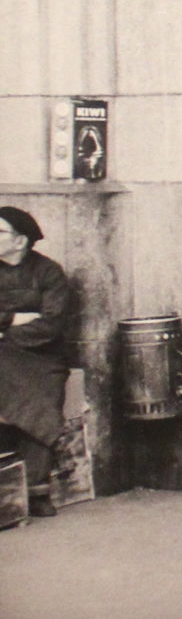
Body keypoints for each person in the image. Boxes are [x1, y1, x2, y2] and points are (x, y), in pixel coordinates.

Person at [0, 207, 71, 518]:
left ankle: (37, 492)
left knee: (40, 395)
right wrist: (13, 318)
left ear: (20, 241)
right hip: (2, 353)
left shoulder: (49, 273)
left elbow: (52, 324)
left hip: (42, 356)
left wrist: (4, 332)